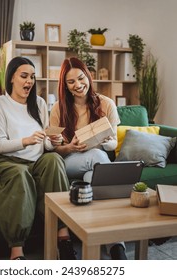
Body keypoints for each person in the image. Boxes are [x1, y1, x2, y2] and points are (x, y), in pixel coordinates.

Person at [0, 56, 76, 260]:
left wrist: (54, 140)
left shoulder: (40, 104)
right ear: (11, 78)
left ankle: (63, 237)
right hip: (8, 161)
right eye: (24, 76)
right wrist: (25, 141)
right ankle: (16, 249)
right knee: (19, 173)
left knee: (54, 160)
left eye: (32, 77)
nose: (29, 81)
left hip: (36, 162)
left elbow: (45, 144)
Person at [49, 56, 127, 260]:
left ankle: (114, 245)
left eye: (81, 78)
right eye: (71, 81)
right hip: (70, 161)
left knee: (93, 177)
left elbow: (112, 145)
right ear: (64, 85)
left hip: (97, 160)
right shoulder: (59, 108)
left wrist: (104, 140)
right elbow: (55, 151)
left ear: (88, 77)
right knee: (97, 158)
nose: (78, 85)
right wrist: (70, 147)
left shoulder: (106, 104)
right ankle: (117, 243)